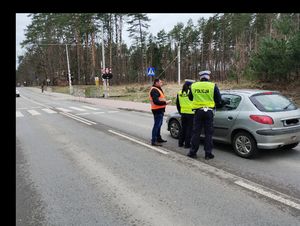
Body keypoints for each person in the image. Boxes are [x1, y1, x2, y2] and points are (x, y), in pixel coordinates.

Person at [187, 70, 222, 160]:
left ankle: (193, 152)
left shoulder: (193, 86)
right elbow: (218, 99)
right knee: (208, 133)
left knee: (196, 133)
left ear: (200, 77)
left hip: (198, 112)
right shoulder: (213, 85)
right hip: (209, 112)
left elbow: (190, 98)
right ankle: (208, 154)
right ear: (208, 77)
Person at [149, 78, 172, 146]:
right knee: (157, 125)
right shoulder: (154, 90)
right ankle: (154, 140)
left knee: (159, 125)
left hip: (159, 109)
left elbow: (159, 99)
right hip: (157, 110)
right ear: (156, 83)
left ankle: (158, 138)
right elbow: (156, 101)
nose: (161, 83)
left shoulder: (157, 89)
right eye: (160, 82)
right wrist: (166, 102)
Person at [176, 79, 195, 148]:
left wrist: (180, 111)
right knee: (189, 129)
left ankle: (180, 143)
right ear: (190, 86)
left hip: (183, 113)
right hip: (191, 113)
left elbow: (177, 104)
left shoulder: (179, 92)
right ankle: (187, 144)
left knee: (183, 128)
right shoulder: (191, 92)